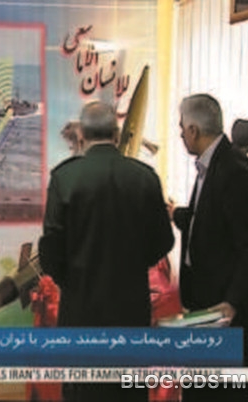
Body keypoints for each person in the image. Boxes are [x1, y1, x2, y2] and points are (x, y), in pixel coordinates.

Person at [38, 101, 174, 402]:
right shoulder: (144, 177)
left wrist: (72, 281)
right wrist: (133, 267)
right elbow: (163, 242)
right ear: (116, 134)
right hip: (131, 313)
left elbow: (50, 251)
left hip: (80, 314)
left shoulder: (64, 178)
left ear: (81, 135)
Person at [167, 93, 248, 402]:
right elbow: (210, 222)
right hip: (207, 304)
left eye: (181, 127)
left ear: (193, 130)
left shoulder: (234, 170)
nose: (180, 134)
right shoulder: (212, 165)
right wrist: (176, 214)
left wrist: (232, 301)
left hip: (226, 309)